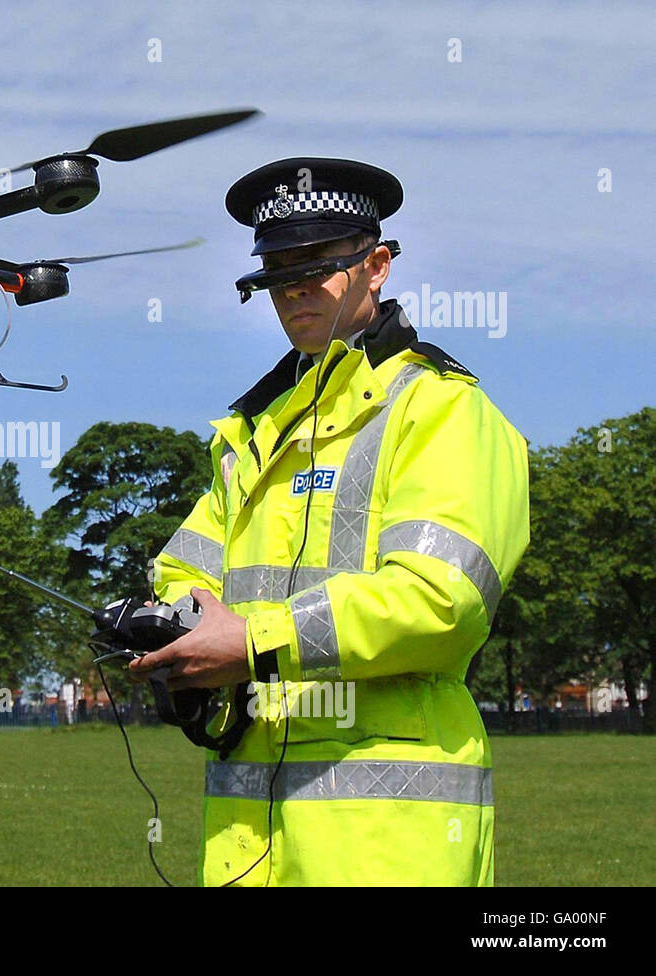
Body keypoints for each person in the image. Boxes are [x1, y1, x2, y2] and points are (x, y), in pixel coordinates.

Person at [130, 157, 530, 886]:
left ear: (376, 266)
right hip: (248, 844)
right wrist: (172, 627)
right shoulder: (254, 430)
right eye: (278, 270)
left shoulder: (443, 410)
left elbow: (441, 602)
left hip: (390, 847)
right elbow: (183, 568)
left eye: (317, 264)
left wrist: (252, 642)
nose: (295, 288)